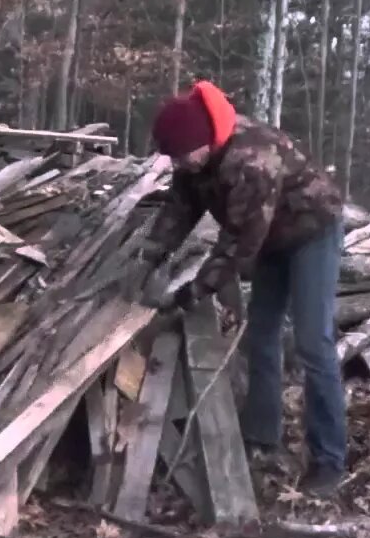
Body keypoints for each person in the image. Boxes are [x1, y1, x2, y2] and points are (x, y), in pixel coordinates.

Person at [138, 79, 348, 497]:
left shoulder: (249, 161)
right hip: (272, 236)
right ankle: (262, 438)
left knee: (313, 341)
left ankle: (330, 459)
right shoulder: (197, 158)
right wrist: (148, 256)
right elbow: (179, 210)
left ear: (200, 143)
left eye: (180, 156)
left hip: (312, 232)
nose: (177, 164)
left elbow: (238, 243)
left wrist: (195, 291)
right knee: (262, 335)